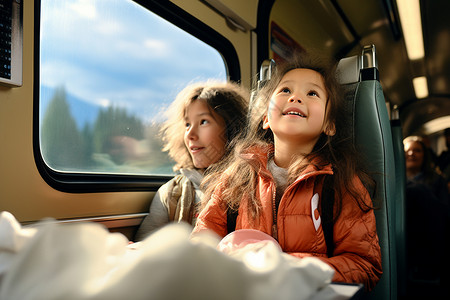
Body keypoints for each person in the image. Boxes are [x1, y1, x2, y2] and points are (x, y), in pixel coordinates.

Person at [193, 53, 382, 290]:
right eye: (284, 91)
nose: (295, 97)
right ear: (265, 119)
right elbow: (202, 242)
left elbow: (364, 265)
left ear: (329, 125)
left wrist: (289, 266)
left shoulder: (341, 183)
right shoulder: (237, 178)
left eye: (312, 93)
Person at [134, 81, 249, 241]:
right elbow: (145, 249)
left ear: (233, 129)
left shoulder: (252, 188)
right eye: (187, 124)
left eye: (203, 122)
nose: (190, 134)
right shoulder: (172, 193)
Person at [403, 135, 450, 297]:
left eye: (417, 150)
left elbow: (444, 211)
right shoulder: (392, 181)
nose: (412, 154)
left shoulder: (437, 181)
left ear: (425, 154)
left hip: (427, 241)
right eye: (408, 150)